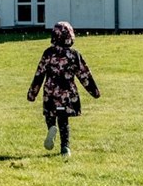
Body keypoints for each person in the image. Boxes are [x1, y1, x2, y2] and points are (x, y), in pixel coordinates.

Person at [28, 21, 100, 157]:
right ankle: (65, 147)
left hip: (50, 90)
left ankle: (51, 128)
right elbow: (84, 75)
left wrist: (32, 93)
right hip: (67, 92)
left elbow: (39, 74)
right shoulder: (74, 55)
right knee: (64, 120)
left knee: (50, 114)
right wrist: (94, 92)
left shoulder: (48, 53)